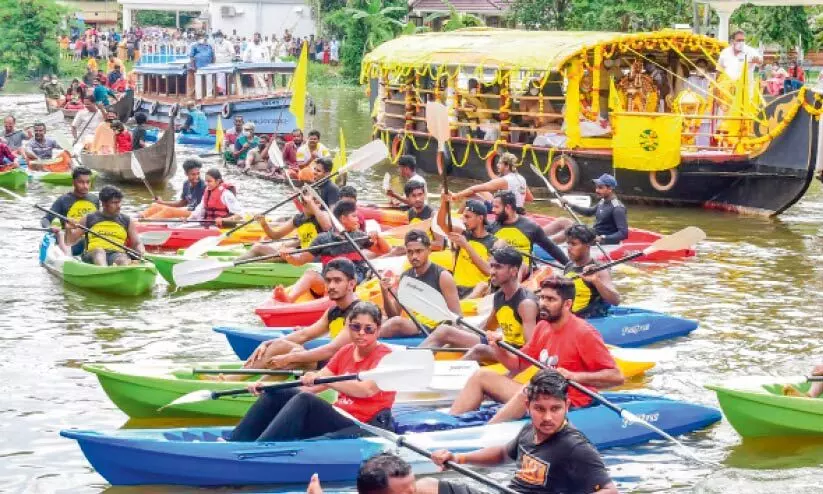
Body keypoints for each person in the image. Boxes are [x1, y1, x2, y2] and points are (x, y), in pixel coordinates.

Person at [447, 276, 624, 422]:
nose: (543, 303)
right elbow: (517, 365)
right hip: (540, 394)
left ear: (567, 304)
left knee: (528, 391)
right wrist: (497, 347)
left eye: (551, 299)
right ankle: (450, 423)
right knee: (481, 376)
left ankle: (487, 434)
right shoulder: (542, 327)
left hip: (570, 402)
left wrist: (574, 376)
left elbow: (616, 377)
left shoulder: (584, 333)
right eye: (542, 298)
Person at [418, 370, 618, 494]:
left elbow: (610, 490)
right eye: (539, 409)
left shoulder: (575, 447)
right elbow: (502, 454)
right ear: (527, 406)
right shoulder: (528, 429)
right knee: (424, 486)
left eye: (555, 409)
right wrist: (458, 458)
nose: (547, 417)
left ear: (567, 405)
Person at [230, 301, 396, 441]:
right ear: (349, 327)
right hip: (341, 415)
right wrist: (268, 387)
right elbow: (311, 386)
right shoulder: (345, 351)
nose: (361, 333)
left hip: (365, 425)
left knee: (306, 400)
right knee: (277, 393)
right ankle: (236, 441)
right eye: (356, 327)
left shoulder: (386, 357)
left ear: (378, 330)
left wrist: (330, 381)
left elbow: (366, 390)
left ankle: (261, 447)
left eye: (368, 329)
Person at [239, 259, 363, 376]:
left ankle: (237, 380)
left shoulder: (359, 312)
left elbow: (332, 349)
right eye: (328, 281)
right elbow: (304, 335)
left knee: (289, 352)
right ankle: (255, 385)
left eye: (337, 281)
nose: (331, 286)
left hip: (348, 369)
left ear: (351, 284)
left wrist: (289, 357)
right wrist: (267, 343)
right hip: (332, 364)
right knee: (283, 347)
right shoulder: (333, 311)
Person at [420, 247, 538, 362]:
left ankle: (452, 372)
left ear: (514, 271)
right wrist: (459, 336)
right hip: (502, 345)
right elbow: (488, 328)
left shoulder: (526, 304)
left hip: (516, 352)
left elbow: (530, 349)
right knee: (445, 331)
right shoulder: (499, 296)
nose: (492, 272)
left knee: (480, 349)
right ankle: (415, 360)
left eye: (498, 267)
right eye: (492, 266)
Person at [273, 200, 390, 303]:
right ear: (343, 219)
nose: (358, 220)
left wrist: (378, 237)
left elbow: (385, 250)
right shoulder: (322, 239)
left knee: (341, 279)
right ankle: (289, 299)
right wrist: (289, 256)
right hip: (328, 281)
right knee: (310, 274)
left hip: (353, 280)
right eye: (354, 216)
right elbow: (300, 261)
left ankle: (329, 299)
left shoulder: (359, 236)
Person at [379, 229, 461, 338]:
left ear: (429, 250)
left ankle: (367, 337)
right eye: (410, 252)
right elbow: (393, 314)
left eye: (419, 251)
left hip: (434, 328)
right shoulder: (405, 277)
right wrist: (384, 293)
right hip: (415, 324)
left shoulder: (443, 276)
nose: (414, 256)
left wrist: (441, 338)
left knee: (397, 322)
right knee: (379, 319)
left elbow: (456, 316)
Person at [233, 188, 331, 262]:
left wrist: (311, 203)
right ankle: (238, 263)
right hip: (302, 256)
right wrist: (264, 224)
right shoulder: (298, 219)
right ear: (303, 203)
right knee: (258, 247)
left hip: (317, 257)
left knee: (260, 249)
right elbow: (275, 235)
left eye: (318, 202)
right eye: (314, 202)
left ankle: (240, 265)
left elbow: (327, 227)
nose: (318, 205)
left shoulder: (323, 214)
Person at [490, 191, 569, 271]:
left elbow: (552, 249)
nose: (493, 210)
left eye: (496, 207)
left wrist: (569, 266)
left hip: (522, 271)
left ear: (508, 207)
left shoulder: (531, 227)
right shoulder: (491, 227)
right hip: (497, 269)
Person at [68, 185, 145, 267]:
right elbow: (70, 241)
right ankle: (104, 270)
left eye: (119, 202)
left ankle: (121, 270)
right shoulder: (88, 218)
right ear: (104, 204)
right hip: (92, 254)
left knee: (123, 258)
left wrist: (140, 252)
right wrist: (68, 229)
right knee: (99, 251)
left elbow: (137, 243)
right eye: (114, 203)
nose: (119, 206)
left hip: (116, 254)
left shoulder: (127, 220)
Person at [542, 173, 628, 245]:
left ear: (610, 189)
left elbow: (623, 233)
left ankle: (548, 245)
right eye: (597, 187)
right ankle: (538, 236)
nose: (597, 190)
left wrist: (603, 238)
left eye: (600, 188)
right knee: (562, 221)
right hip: (592, 233)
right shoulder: (603, 201)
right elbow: (589, 212)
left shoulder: (618, 208)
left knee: (571, 230)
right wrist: (570, 205)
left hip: (599, 240)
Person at [436, 198, 495, 299]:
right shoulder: (461, 233)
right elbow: (441, 223)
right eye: (463, 216)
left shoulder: (494, 242)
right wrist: (444, 202)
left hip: (476, 289)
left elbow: (488, 270)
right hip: (455, 287)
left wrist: (466, 246)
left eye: (467, 217)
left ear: (480, 218)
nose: (463, 220)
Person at [562, 225, 621, 319]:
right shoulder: (568, 266)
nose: (569, 248)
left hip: (593, 319)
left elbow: (616, 300)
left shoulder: (599, 269)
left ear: (587, 246)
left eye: (573, 244)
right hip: (573, 318)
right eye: (568, 243)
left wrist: (595, 281)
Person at [451, 152, 531, 214]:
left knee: (469, 197)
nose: (497, 165)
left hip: (505, 211)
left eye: (500, 163)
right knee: (483, 192)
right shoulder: (522, 178)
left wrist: (456, 195)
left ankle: (458, 217)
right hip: (517, 209)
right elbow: (529, 198)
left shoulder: (503, 180)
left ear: (507, 166)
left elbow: (473, 189)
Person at [141, 159, 205, 219]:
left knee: (168, 211)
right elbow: (182, 203)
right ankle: (139, 217)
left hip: (196, 213)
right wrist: (162, 202)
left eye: (198, 173)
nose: (196, 177)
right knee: (156, 206)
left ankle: (145, 223)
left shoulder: (203, 186)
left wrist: (175, 210)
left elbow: (201, 208)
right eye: (193, 174)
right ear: (186, 174)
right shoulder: (186, 184)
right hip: (188, 209)